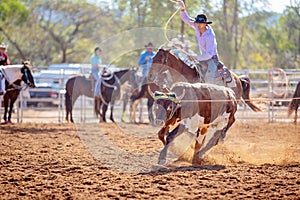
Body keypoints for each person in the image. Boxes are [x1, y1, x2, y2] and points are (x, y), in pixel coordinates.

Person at [178, 1, 223, 85]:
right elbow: (186, 19)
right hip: (203, 58)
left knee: (209, 78)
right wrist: (183, 9)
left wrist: (196, 57)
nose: (198, 25)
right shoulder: (196, 26)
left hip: (212, 59)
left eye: (200, 23)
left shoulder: (210, 36)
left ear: (205, 24)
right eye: (197, 23)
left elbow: (209, 54)